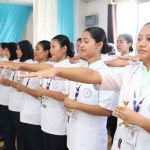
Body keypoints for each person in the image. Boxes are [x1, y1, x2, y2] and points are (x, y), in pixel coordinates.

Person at [20, 22, 150, 150]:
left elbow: (106, 108)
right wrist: (57, 71)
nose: (142, 43)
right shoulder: (130, 71)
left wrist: (139, 120)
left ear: (99, 45)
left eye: (148, 39)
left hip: (94, 136)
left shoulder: (113, 67)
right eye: (139, 38)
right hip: (117, 140)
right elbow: (94, 76)